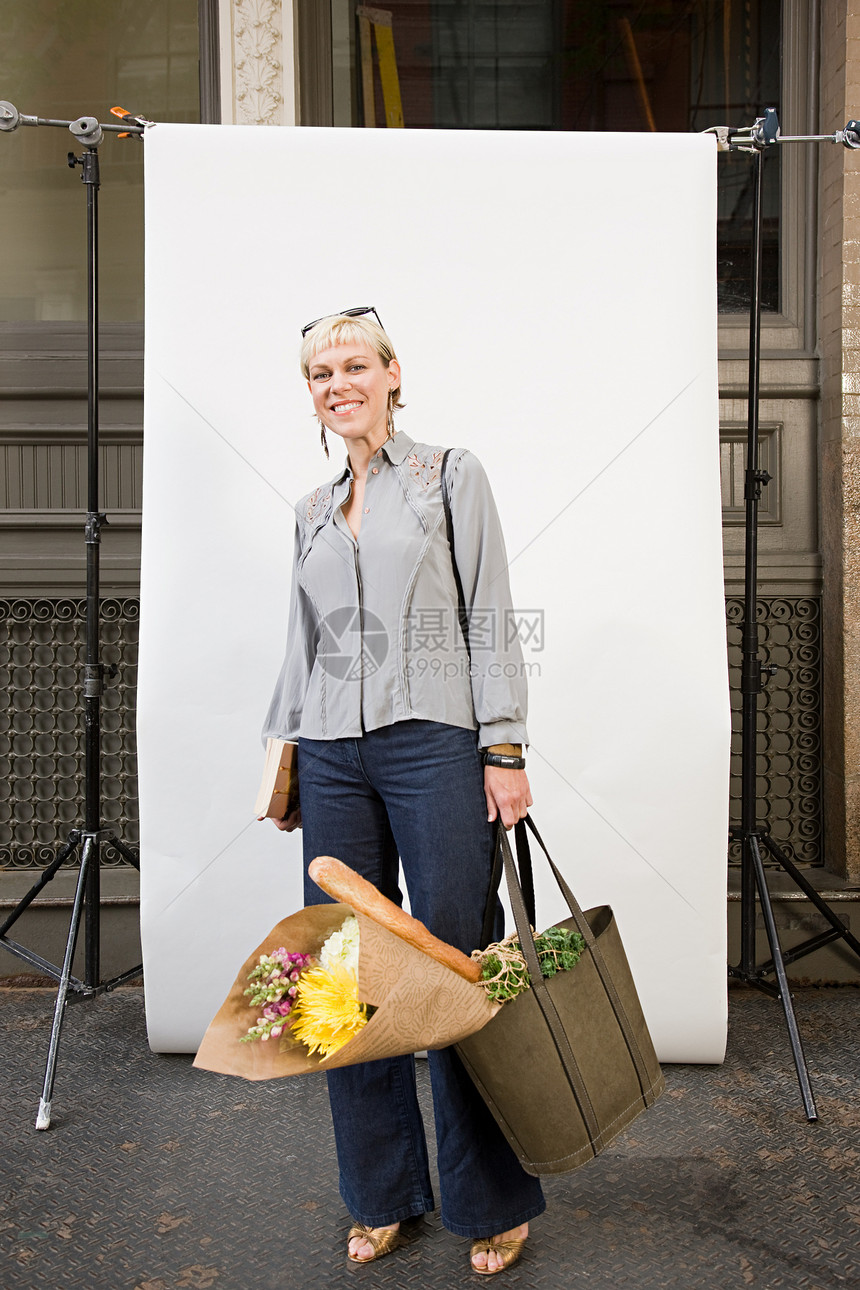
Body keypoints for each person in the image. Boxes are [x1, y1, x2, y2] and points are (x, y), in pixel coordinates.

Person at [262, 307, 545, 1274]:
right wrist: (288, 755)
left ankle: (490, 1200)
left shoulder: (448, 477)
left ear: (391, 373)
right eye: (318, 373)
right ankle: (381, 1193)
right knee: (343, 978)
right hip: (333, 757)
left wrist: (501, 748)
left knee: (456, 968)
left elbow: (491, 613)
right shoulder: (307, 508)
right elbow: (301, 643)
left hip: (435, 744)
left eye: (353, 365)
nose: (336, 383)